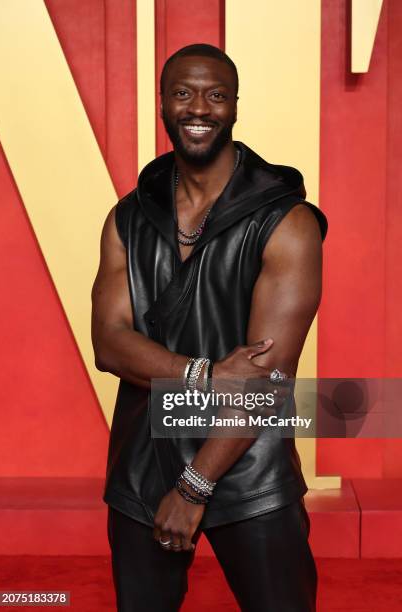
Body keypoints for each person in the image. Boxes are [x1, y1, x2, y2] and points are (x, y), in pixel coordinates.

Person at [91, 43, 327, 612]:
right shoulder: (128, 216)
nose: (200, 107)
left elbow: (267, 384)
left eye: (216, 95)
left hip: (247, 468)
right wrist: (204, 374)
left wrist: (195, 487)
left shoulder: (287, 222)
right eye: (184, 93)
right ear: (164, 104)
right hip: (144, 466)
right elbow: (109, 342)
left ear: (235, 107)